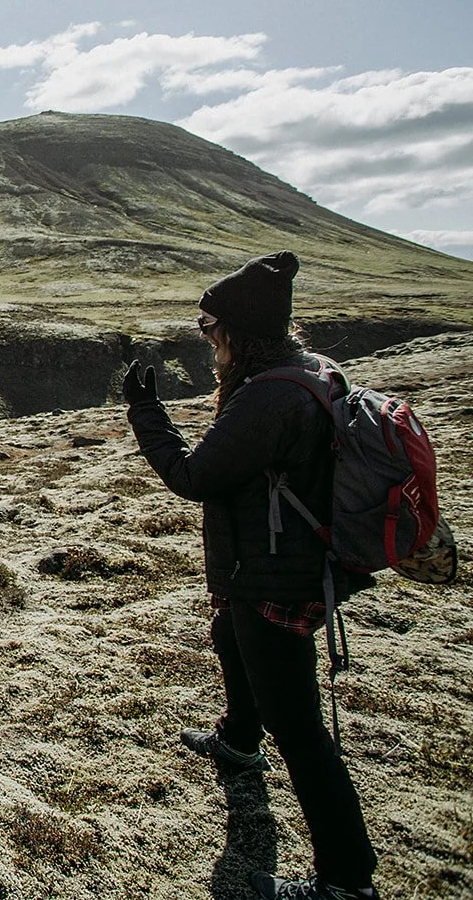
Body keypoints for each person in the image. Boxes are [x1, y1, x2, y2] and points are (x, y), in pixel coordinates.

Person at [123, 251, 379, 900]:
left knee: (299, 728)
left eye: (211, 327)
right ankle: (238, 739)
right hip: (279, 562)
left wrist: (145, 413)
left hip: (275, 576)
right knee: (230, 636)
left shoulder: (267, 397)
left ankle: (346, 880)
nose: (207, 339)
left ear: (239, 330)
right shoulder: (306, 371)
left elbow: (195, 474)